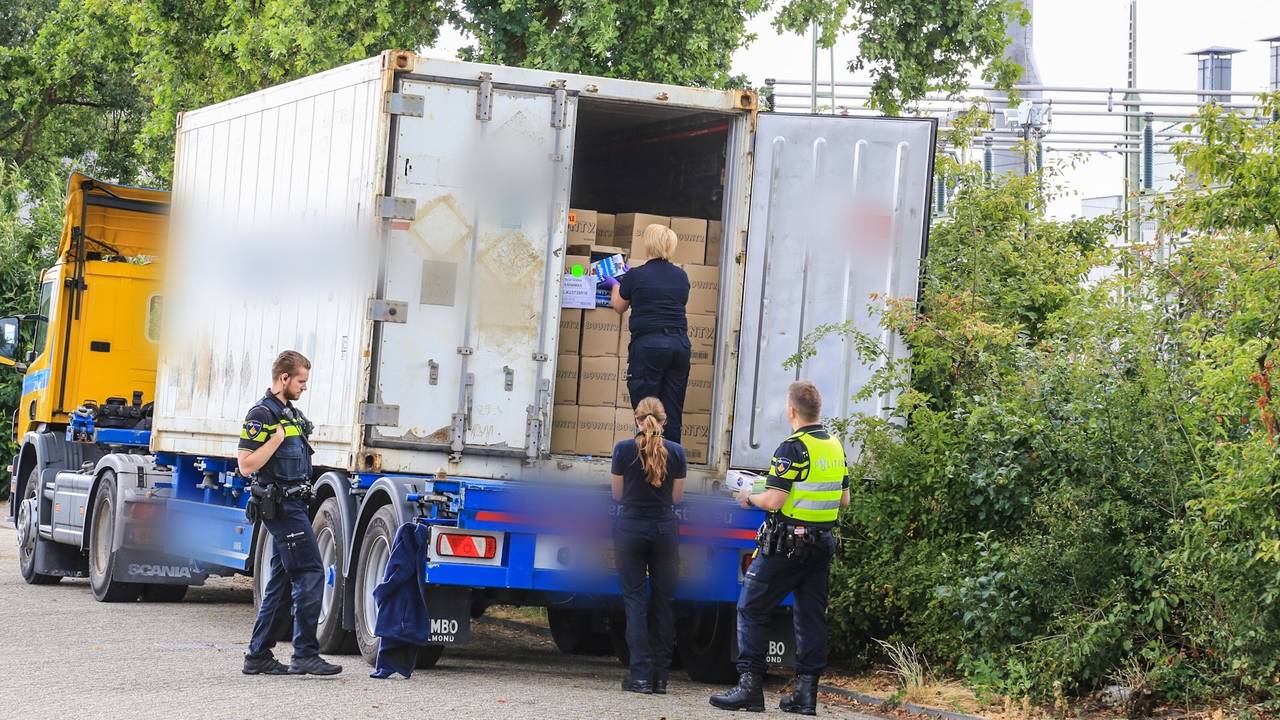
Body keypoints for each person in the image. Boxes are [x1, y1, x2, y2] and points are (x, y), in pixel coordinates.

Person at [710, 381, 850, 715]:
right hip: (821, 544)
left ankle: (749, 688)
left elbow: (774, 500)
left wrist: (749, 497)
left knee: (752, 608)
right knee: (810, 616)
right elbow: (844, 501)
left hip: (788, 544)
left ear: (791, 411)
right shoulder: (834, 446)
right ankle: (806, 695)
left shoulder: (792, 448)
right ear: (817, 410)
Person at [239, 350, 342, 676]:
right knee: (311, 573)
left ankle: (258, 656)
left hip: (295, 504)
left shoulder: (290, 413)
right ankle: (304, 654)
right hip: (282, 509)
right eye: (301, 380)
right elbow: (245, 465)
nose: (304, 387)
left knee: (280, 584)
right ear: (284, 378)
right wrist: (275, 441)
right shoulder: (262, 414)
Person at [611, 397, 687, 694]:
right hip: (665, 530)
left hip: (630, 529)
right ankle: (660, 678)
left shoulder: (623, 449)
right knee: (663, 604)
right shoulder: (677, 453)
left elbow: (617, 494)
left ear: (636, 419)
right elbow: (676, 499)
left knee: (635, 601)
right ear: (664, 421)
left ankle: (640, 676)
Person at [603, 224, 692, 443]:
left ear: (649, 245)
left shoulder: (636, 275)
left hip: (650, 346)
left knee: (647, 411)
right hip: (679, 346)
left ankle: (649, 466)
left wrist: (615, 284)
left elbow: (619, 306)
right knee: (671, 409)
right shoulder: (681, 276)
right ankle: (670, 464)